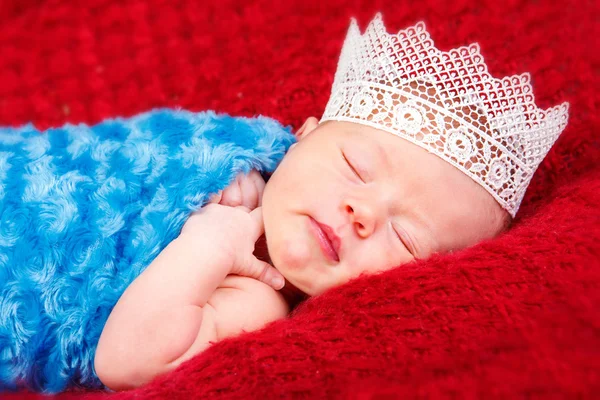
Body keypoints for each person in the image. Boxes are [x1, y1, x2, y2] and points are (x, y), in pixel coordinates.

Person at [94, 14, 569, 390]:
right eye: (355, 166)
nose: (363, 212)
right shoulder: (243, 160)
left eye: (405, 236)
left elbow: (124, 361)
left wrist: (210, 242)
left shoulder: (257, 302)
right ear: (303, 135)